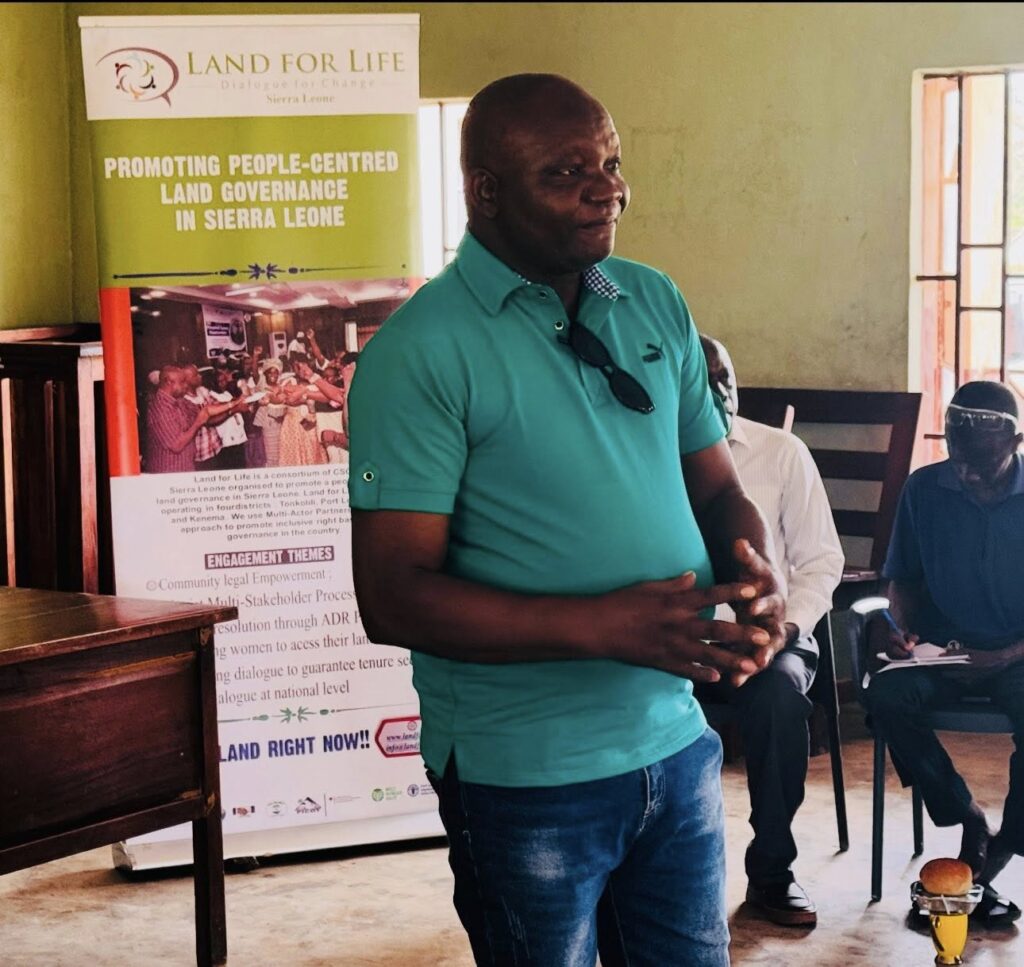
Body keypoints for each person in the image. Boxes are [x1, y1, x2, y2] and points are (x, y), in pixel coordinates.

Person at [348, 73, 786, 967]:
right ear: (486, 191)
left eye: (611, 164)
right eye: (566, 172)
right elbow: (391, 596)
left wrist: (756, 570)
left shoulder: (651, 299)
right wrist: (601, 625)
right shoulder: (420, 352)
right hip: (526, 775)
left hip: (675, 744)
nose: (607, 189)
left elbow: (716, 490)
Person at [865, 380, 1024, 926]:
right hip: (943, 649)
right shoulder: (924, 489)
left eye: (981, 462)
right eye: (957, 457)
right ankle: (967, 816)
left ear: (1016, 443)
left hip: (1018, 651)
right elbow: (903, 579)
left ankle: (998, 851)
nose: (966, 473)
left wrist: (1003, 657)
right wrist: (898, 630)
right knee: (886, 696)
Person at [698, 334, 844, 927]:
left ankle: (772, 872)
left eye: (725, 380)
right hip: (685, 641)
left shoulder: (781, 452)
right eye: (701, 381)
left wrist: (781, 630)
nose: (717, 393)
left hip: (772, 637)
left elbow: (821, 562)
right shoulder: (643, 456)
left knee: (779, 697)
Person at [144, 365, 209, 474]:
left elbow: (202, 411)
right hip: (169, 472)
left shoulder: (179, 401)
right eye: (182, 382)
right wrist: (198, 423)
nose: (186, 385)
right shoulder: (159, 408)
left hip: (185, 467)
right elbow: (176, 445)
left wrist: (232, 405)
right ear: (169, 382)